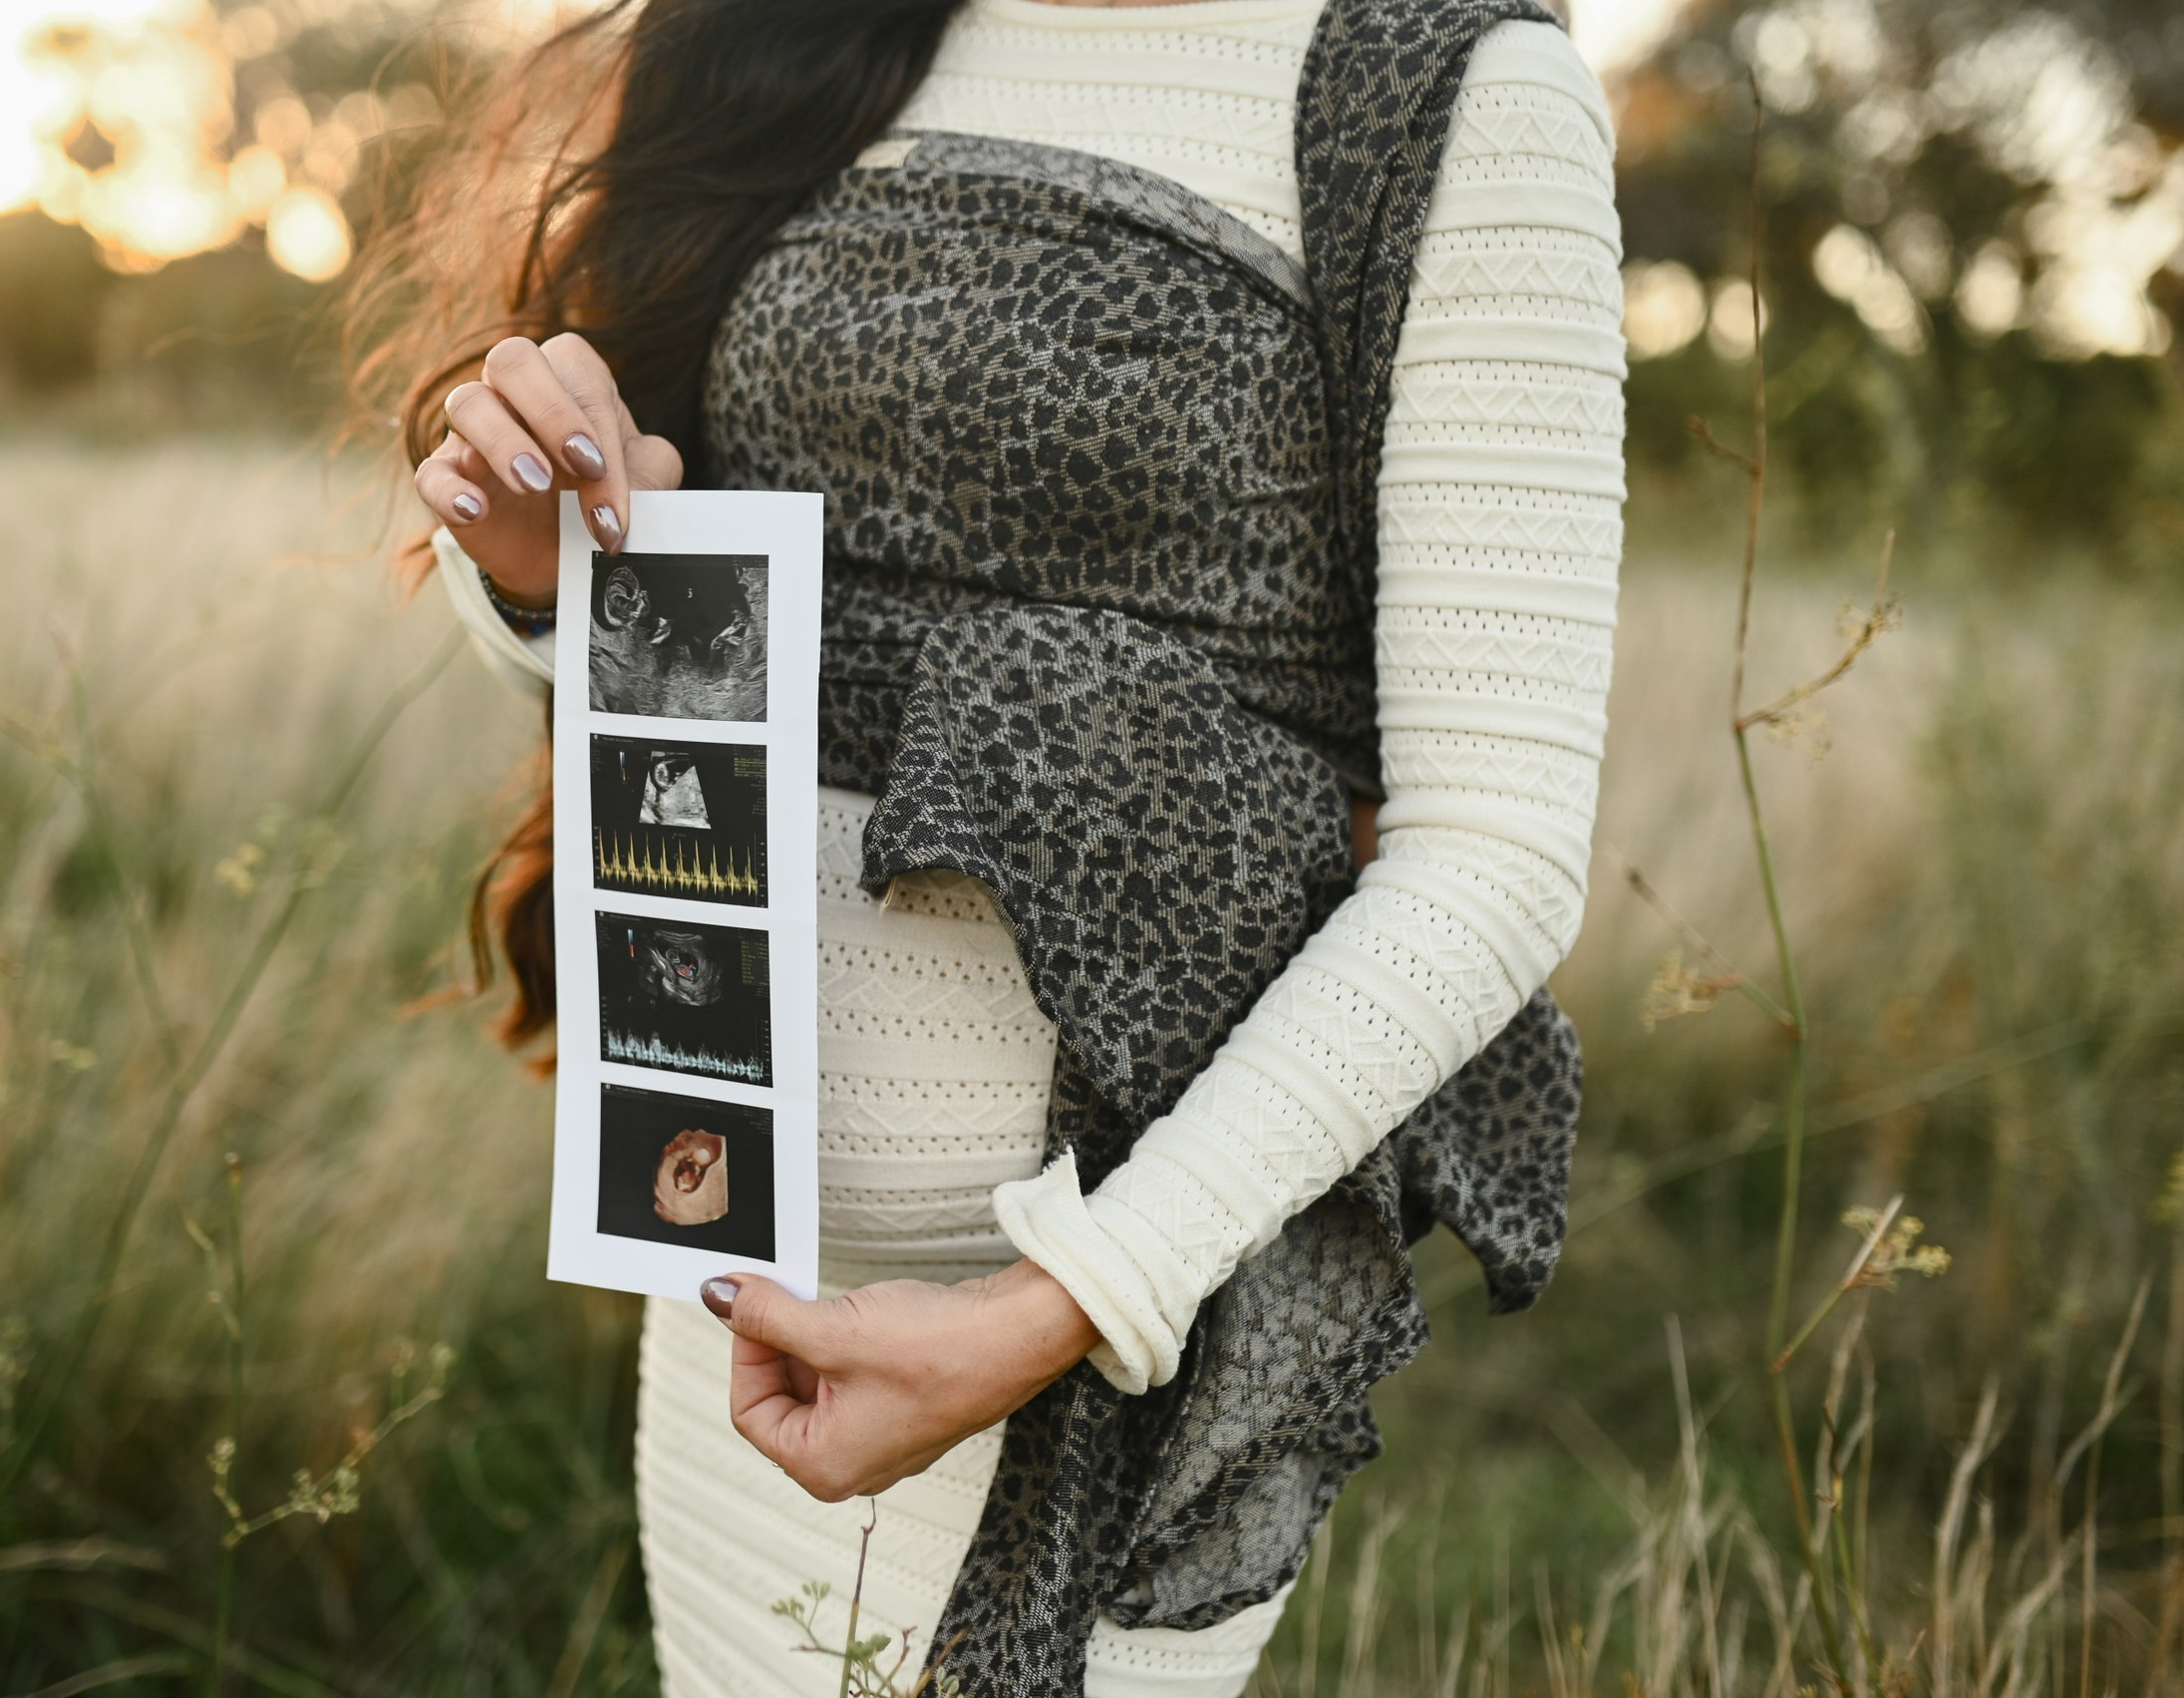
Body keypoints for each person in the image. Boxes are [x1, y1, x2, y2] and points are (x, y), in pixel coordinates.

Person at [360, 0, 1624, 1691]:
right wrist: (536, 564)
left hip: (1105, 1341)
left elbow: (1496, 854)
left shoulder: (1444, 88)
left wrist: (1071, 1303)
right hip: (735, 1283)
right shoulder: (776, 31)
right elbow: (658, 637)